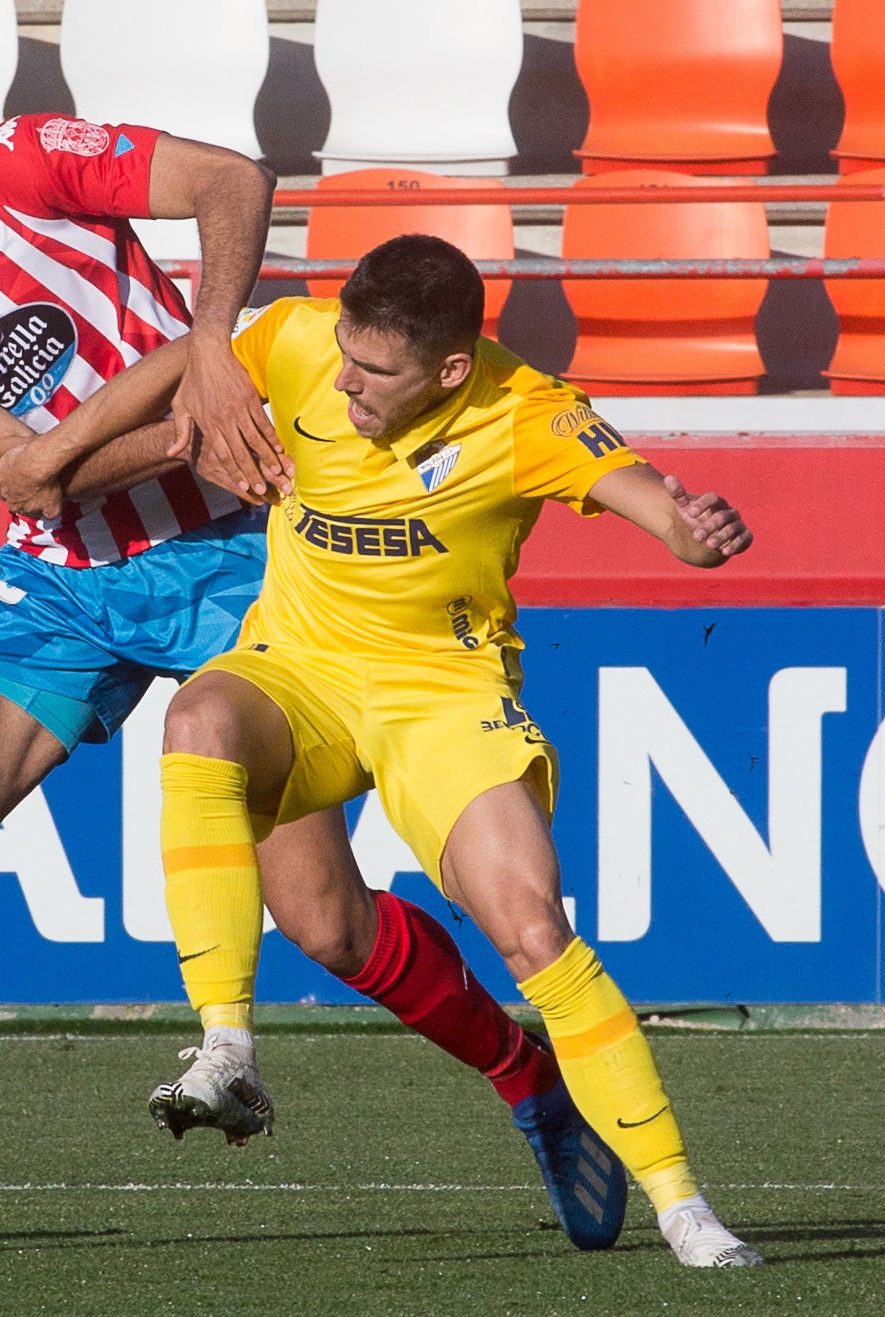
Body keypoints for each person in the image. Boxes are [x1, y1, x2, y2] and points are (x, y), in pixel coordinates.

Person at [0, 43, 621, 1260]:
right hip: (67, 583)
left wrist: (210, 345)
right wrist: (180, 429)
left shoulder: (23, 162)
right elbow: (26, 482)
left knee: (324, 924)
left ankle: (528, 1076)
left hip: (242, 559)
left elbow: (234, 181)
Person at [56, 233, 756, 1267]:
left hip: (441, 695)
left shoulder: (527, 413)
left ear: (449, 370)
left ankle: (682, 1206)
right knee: (198, 721)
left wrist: (696, 530)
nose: (343, 384)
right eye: (344, 354)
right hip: (297, 670)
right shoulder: (294, 339)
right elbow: (180, 372)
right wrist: (58, 453)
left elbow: (658, 509)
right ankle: (225, 1048)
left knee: (527, 929)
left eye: (374, 372)